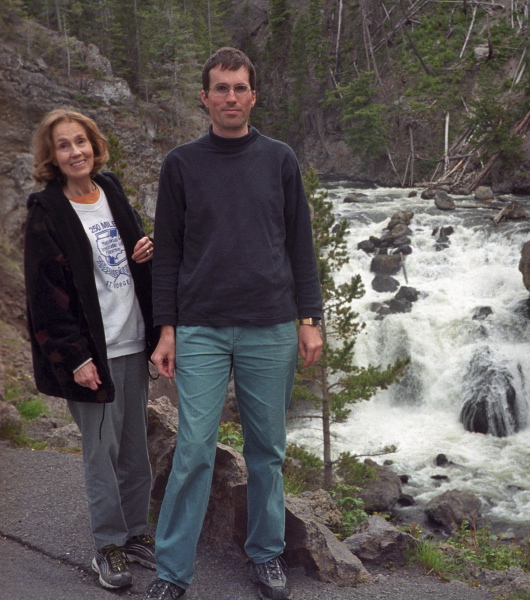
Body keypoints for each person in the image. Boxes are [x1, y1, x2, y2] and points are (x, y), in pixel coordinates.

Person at [144, 47, 323, 600]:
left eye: (239, 88)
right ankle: (172, 572)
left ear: (253, 96)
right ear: (204, 98)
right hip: (199, 327)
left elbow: (300, 244)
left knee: (266, 447)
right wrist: (165, 328)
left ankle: (266, 556)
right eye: (219, 88)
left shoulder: (279, 159)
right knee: (194, 448)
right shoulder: (181, 164)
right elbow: (168, 252)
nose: (229, 97)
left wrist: (310, 319)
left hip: (270, 325)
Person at [23, 109, 159, 590]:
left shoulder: (111, 190)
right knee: (101, 450)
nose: (75, 151)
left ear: (94, 145)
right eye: (64, 145)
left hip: (131, 340)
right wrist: (76, 358)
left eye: (81, 141)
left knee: (134, 446)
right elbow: (44, 297)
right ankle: (108, 545)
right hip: (91, 354)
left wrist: (146, 249)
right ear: (52, 157)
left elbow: (131, 254)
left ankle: (137, 532)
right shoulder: (47, 211)